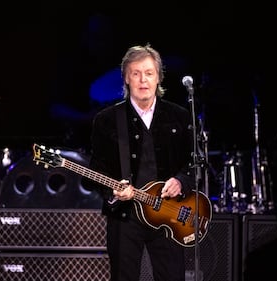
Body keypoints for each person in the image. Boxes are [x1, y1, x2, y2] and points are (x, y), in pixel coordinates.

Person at [82, 43, 195, 281]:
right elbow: (95, 168)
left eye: (149, 73)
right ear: (126, 79)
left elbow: (194, 164)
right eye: (136, 74)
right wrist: (112, 190)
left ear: (158, 78)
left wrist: (181, 181)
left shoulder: (181, 116)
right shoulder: (107, 120)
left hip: (168, 215)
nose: (143, 80)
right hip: (125, 217)